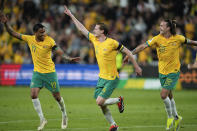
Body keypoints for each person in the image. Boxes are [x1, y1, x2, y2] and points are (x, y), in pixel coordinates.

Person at [63, 5, 142, 131]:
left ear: (102, 32)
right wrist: (72, 15)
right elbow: (82, 29)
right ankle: (113, 125)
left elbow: (128, 52)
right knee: (101, 104)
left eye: (96, 29)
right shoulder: (94, 39)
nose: (94, 30)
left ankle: (118, 100)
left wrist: (136, 66)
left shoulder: (112, 42)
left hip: (112, 77)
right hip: (102, 77)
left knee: (99, 101)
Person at [0, 14, 80, 130]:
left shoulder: (49, 40)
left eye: (44, 32)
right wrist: (6, 23)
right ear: (35, 33)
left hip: (50, 73)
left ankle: (64, 114)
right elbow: (13, 33)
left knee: (57, 97)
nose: (44, 34)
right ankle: (42, 119)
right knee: (33, 94)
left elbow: (59, 52)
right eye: (41, 32)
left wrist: (68, 58)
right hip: (37, 73)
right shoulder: (30, 39)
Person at [124, 19, 197, 131]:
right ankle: (177, 117)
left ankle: (170, 118)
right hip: (162, 72)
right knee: (169, 95)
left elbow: (192, 42)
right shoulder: (157, 38)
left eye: (162, 26)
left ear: (168, 28)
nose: (160, 27)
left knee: (163, 95)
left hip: (174, 71)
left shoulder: (178, 38)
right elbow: (143, 46)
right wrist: (130, 54)